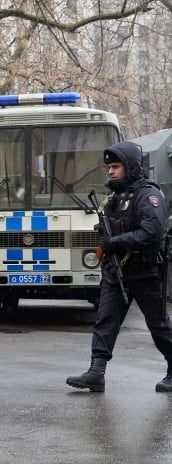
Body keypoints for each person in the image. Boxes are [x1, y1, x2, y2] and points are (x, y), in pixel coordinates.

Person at [66, 141, 172, 393]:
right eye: (108, 167)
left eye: (116, 166)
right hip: (117, 272)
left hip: (145, 272)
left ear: (131, 167)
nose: (111, 171)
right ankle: (96, 372)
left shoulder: (148, 195)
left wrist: (114, 242)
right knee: (105, 320)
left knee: (157, 325)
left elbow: (152, 233)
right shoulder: (115, 197)